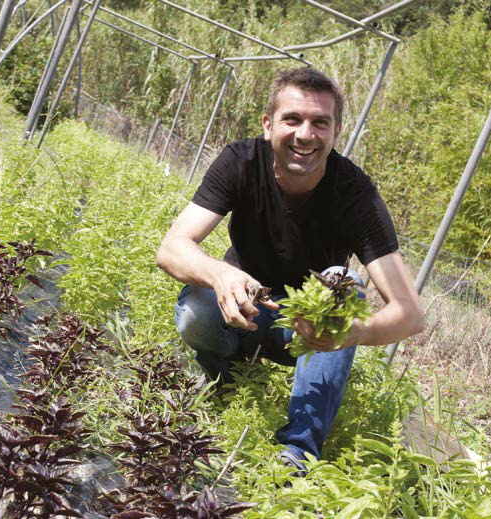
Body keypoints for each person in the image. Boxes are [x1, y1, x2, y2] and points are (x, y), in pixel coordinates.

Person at [155, 67, 424, 473]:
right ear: (268, 125)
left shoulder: (357, 196)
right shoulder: (241, 162)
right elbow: (172, 248)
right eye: (292, 119)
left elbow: (410, 313)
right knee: (196, 309)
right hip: (242, 311)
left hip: (303, 332)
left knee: (345, 287)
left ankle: (298, 451)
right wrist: (221, 275)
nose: (305, 134)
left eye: (321, 123)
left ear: (336, 133)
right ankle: (225, 381)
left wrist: (351, 332)